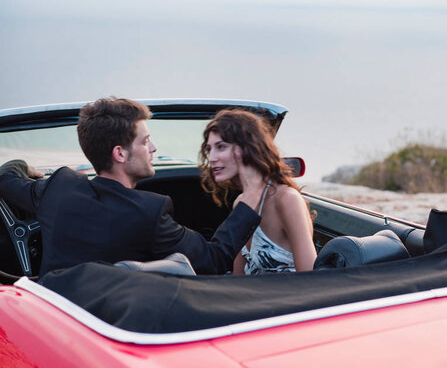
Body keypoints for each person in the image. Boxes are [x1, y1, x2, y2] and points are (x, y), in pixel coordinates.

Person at [0, 97, 266, 276]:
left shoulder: (59, 188)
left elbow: (6, 177)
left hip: (54, 318)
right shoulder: (148, 212)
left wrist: (28, 168)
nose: (153, 148)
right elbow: (215, 259)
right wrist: (251, 195)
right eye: (144, 141)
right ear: (120, 154)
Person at [200, 109, 316, 274]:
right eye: (209, 149)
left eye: (221, 147)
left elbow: (310, 277)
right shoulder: (241, 202)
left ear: (247, 148)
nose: (211, 157)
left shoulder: (287, 200)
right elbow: (237, 275)